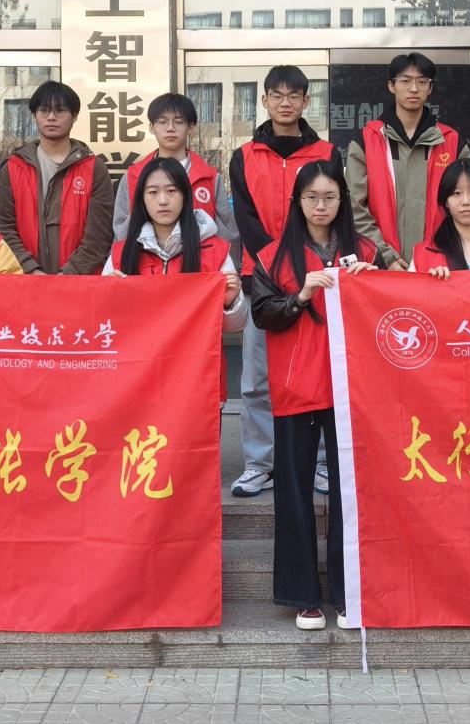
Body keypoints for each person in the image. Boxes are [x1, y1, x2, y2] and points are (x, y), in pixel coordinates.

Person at [250, 160, 380, 631]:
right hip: (296, 387)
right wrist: (300, 296)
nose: (321, 206)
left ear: (343, 200)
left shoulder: (366, 250)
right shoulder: (272, 256)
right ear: (297, 202)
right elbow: (263, 314)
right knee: (294, 492)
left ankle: (348, 593)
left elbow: (391, 312)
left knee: (350, 494)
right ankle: (304, 595)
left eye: (329, 197)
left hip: (352, 389)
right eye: (311, 197)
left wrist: (374, 281)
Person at [228, 66, 342, 498]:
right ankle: (260, 463)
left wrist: (308, 266)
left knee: (321, 375)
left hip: (319, 276)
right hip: (262, 279)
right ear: (264, 100)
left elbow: (332, 213)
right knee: (257, 379)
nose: (285, 103)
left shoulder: (326, 153)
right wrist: (275, 268)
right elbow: (246, 220)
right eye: (276, 95)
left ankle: (321, 462)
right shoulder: (244, 156)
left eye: (294, 95)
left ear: (307, 101)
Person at [347, 52, 470, 271]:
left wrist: (441, 255)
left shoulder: (452, 142)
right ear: (391, 85)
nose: (414, 89)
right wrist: (385, 256)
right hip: (381, 268)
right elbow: (354, 207)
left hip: (441, 267)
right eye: (405, 81)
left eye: (422, 82)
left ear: (430, 88)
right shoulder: (367, 140)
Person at [105, 157, 247, 345]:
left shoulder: (215, 251)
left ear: (185, 195)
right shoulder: (120, 254)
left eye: (171, 191)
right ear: (142, 199)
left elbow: (236, 325)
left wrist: (229, 303)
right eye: (153, 192)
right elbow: (103, 321)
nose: (163, 200)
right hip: (138, 361)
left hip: (196, 362)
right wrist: (108, 297)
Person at [0, 80, 114, 275]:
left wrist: (68, 274)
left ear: (74, 116)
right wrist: (30, 270)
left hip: (80, 282)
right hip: (25, 281)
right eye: (44, 110)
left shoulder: (94, 168)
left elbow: (99, 234)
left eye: (60, 110)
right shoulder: (13, 168)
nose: (51, 117)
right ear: (34, 116)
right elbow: (2, 227)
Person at [111, 94, 239, 259]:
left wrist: (228, 268)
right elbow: (121, 232)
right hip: (145, 269)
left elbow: (228, 234)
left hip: (200, 268)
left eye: (178, 122)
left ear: (191, 127)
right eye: (162, 122)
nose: (170, 128)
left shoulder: (210, 178)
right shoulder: (133, 176)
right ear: (151, 127)